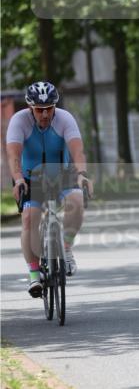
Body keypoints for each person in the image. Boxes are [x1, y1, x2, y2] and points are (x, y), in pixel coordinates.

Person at [5, 81, 93, 296]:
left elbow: (78, 152)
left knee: (77, 201)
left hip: (61, 173)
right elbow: (13, 156)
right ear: (29, 108)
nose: (44, 114)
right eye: (39, 110)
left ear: (55, 106)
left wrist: (82, 174)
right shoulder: (19, 121)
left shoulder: (64, 118)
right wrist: (18, 180)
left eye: (49, 109)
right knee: (29, 218)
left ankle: (67, 247)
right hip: (29, 177)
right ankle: (34, 274)